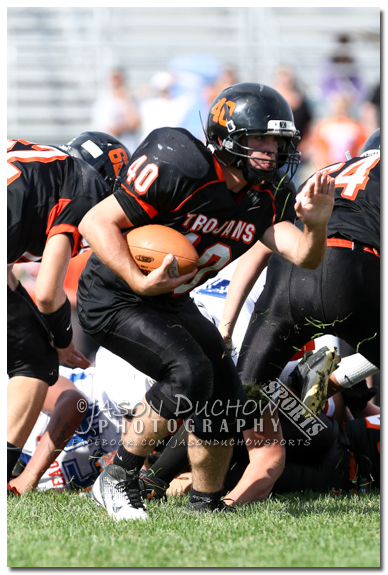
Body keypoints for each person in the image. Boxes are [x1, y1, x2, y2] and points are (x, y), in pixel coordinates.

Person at [76, 81, 335, 521]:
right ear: (227, 135)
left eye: (277, 140)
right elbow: (95, 222)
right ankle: (116, 479)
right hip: (115, 295)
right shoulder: (179, 162)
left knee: (228, 394)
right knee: (188, 372)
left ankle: (206, 503)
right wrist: (140, 281)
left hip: (169, 301)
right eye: (261, 139)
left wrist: (317, 224)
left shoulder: (267, 194)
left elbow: (304, 256)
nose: (272, 150)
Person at [217, 128, 380, 491]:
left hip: (287, 283)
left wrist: (226, 325)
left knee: (237, 405)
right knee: (324, 440)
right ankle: (318, 383)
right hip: (351, 275)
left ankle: (152, 475)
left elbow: (258, 250)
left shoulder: (324, 174)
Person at [7, 131, 130, 490]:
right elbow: (48, 293)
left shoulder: (45, 166)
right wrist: (61, 342)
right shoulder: (86, 185)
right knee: (34, 363)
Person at [91, 68, 142, 154]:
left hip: (131, 150)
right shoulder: (103, 103)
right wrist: (127, 125)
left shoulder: (131, 100)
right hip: (113, 153)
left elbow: (136, 123)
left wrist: (126, 100)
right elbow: (110, 130)